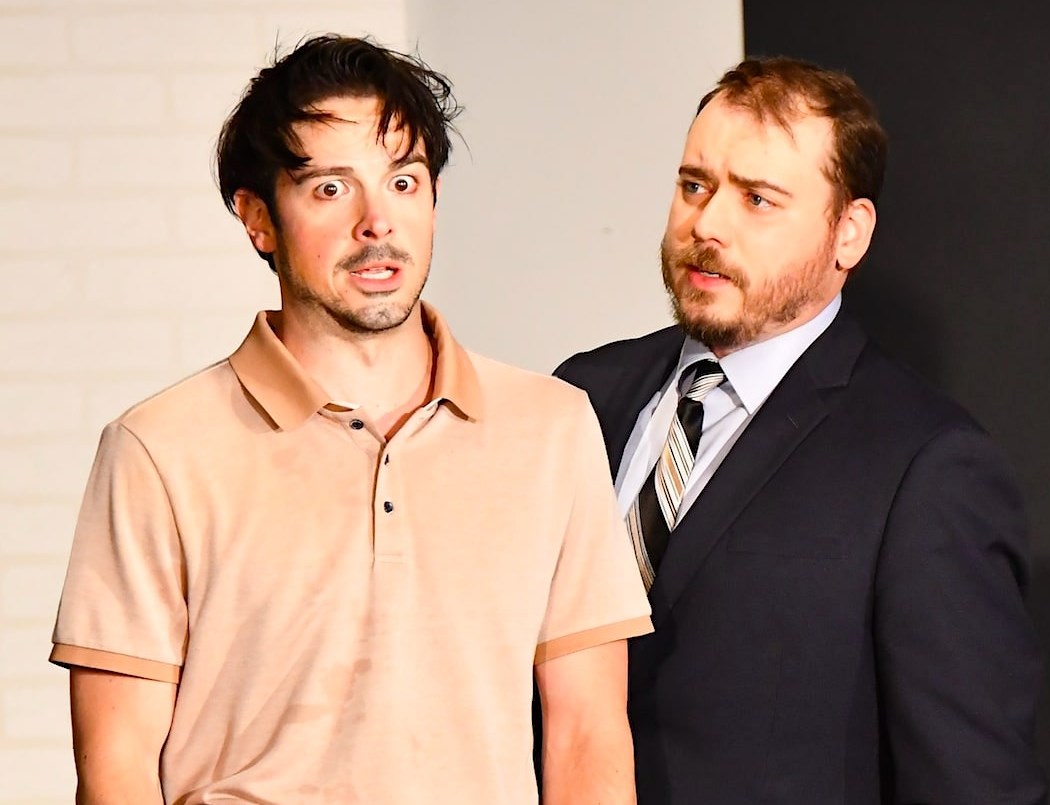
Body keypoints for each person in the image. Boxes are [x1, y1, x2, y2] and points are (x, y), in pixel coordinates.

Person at [50, 34, 651, 804]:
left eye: (403, 181)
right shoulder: (157, 449)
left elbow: (587, 733)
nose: (377, 222)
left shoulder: (552, 429)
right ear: (258, 218)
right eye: (331, 188)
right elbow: (117, 763)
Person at [554, 57, 1046, 803]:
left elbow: (972, 784)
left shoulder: (926, 466)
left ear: (848, 233)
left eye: (757, 199)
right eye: (694, 185)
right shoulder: (582, 396)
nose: (706, 224)